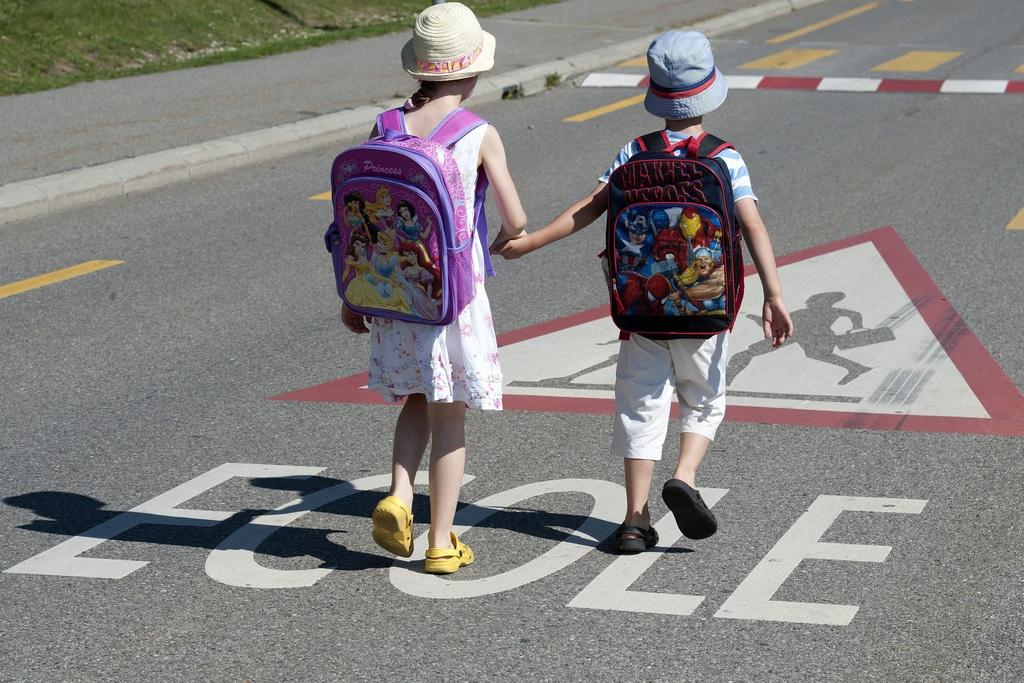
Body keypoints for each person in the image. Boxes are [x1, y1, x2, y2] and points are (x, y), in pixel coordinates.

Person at [494, 31, 793, 553]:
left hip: (641, 309)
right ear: (709, 91)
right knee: (703, 398)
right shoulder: (725, 157)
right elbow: (753, 225)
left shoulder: (635, 152)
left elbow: (588, 208)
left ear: (657, 94)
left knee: (640, 403)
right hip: (706, 307)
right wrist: (774, 295)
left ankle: (634, 518)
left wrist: (530, 243)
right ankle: (686, 477)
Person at [341, 2, 527, 574]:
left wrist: (354, 294)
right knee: (452, 415)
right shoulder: (478, 133)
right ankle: (442, 542)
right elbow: (516, 218)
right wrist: (501, 238)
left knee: (415, 398)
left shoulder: (386, 125)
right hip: (453, 299)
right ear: (471, 73)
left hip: (395, 296)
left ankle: (398, 495)